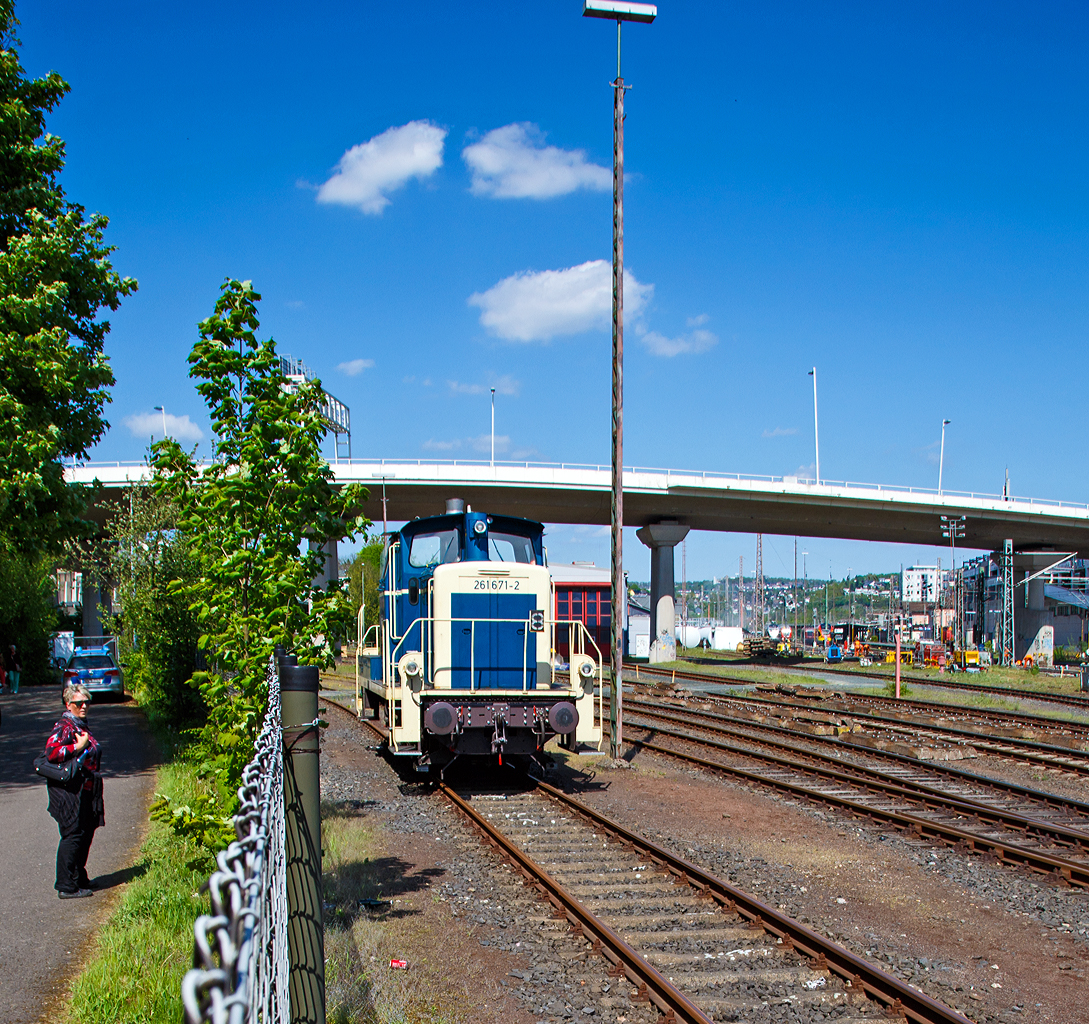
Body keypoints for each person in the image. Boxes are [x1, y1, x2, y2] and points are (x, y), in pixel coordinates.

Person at [44, 685, 103, 898]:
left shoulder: (79, 725)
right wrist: (77, 748)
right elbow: (51, 752)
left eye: (87, 701)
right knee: (72, 834)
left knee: (85, 832)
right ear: (68, 705)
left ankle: (79, 878)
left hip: (85, 789)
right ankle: (66, 886)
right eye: (79, 703)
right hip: (69, 792)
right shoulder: (65, 726)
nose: (84, 706)